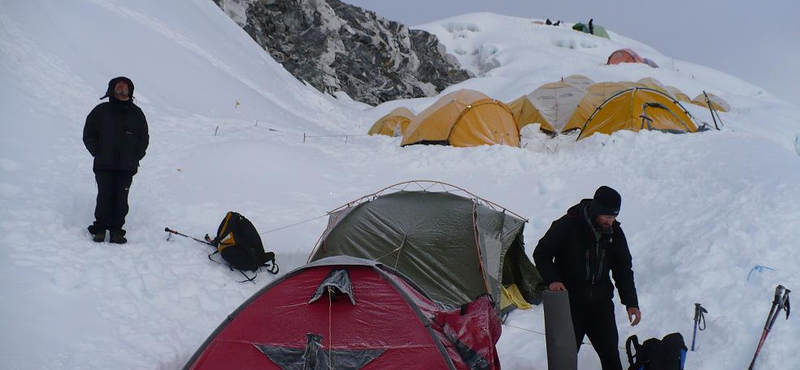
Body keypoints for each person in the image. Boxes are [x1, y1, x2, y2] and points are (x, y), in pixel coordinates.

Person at [533, 186, 640, 370]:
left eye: (614, 216)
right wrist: (553, 279)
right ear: (597, 210)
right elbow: (541, 253)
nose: (610, 221)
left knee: (612, 360)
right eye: (607, 216)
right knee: (563, 362)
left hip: (601, 305)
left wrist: (631, 302)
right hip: (570, 305)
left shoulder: (614, 232)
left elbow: (623, 269)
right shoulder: (568, 225)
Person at [83, 76, 149, 244]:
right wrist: (97, 151)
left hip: (127, 166)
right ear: (112, 89)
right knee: (104, 196)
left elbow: (144, 137)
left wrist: (137, 155)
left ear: (130, 91)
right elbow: (89, 133)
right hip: (104, 163)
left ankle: (116, 231)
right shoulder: (101, 110)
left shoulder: (137, 113)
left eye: (124, 88)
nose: (121, 90)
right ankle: (99, 229)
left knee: (121, 199)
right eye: (118, 87)